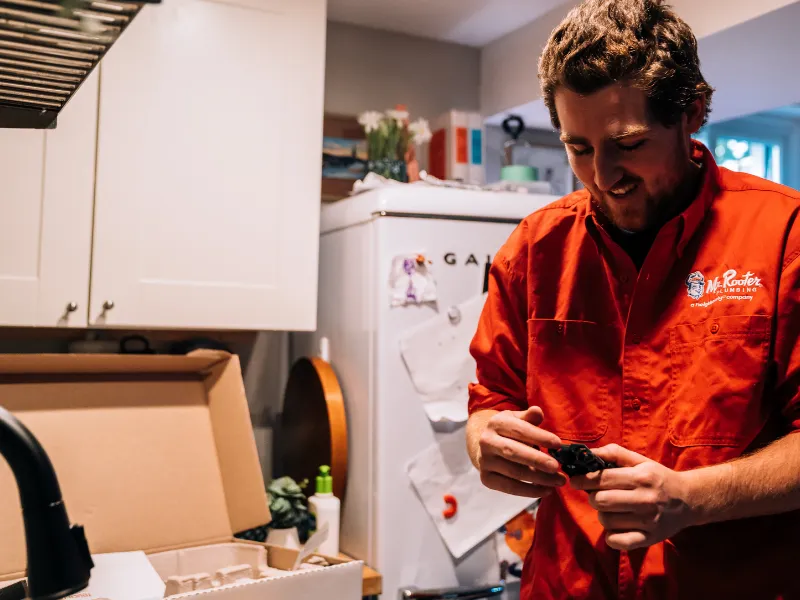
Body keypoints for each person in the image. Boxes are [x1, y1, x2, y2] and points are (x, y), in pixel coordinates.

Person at [466, 1, 800, 598]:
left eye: (628, 143)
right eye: (580, 148)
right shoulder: (534, 250)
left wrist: (691, 499)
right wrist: (486, 439)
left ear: (692, 112)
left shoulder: (783, 236)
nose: (603, 175)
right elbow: (490, 401)